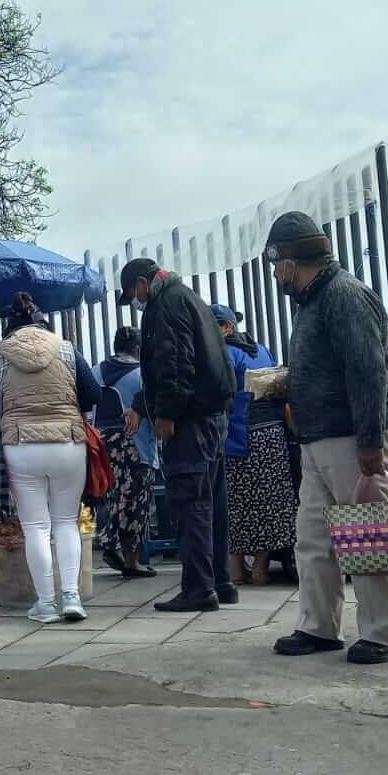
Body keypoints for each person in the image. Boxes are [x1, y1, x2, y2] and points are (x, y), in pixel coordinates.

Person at [263, 212, 388, 665]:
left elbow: (367, 372)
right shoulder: (315, 300)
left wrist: (369, 444)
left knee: (370, 538)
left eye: (276, 265)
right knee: (314, 540)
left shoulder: (344, 295)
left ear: (287, 260)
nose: (275, 275)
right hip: (321, 437)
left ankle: (384, 633)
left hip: (354, 437)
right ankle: (318, 626)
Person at [0, 293, 101, 623]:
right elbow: (93, 394)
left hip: (21, 446)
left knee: (36, 527)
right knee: (66, 523)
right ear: (43, 323)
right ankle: (72, 597)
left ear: (9, 327)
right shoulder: (68, 349)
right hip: (68, 443)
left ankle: (45, 604)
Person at [118, 257, 236, 613]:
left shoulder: (165, 304)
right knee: (212, 502)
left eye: (131, 294)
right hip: (212, 415)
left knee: (190, 502)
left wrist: (166, 413)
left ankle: (198, 588)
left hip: (189, 420)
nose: (134, 302)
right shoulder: (188, 297)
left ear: (142, 282)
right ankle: (220, 580)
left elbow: (174, 362)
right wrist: (144, 403)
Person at [212, 305, 297, 586]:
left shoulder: (224, 353)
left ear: (224, 327)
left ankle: (237, 568)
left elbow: (220, 393)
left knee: (236, 502)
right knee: (270, 501)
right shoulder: (262, 349)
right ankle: (260, 568)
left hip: (240, 436)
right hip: (272, 432)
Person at [91, 326, 159, 578]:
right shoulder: (143, 374)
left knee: (112, 499)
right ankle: (128, 558)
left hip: (101, 443)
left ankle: (115, 545)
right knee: (135, 502)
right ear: (138, 349)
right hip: (134, 444)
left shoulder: (96, 371)